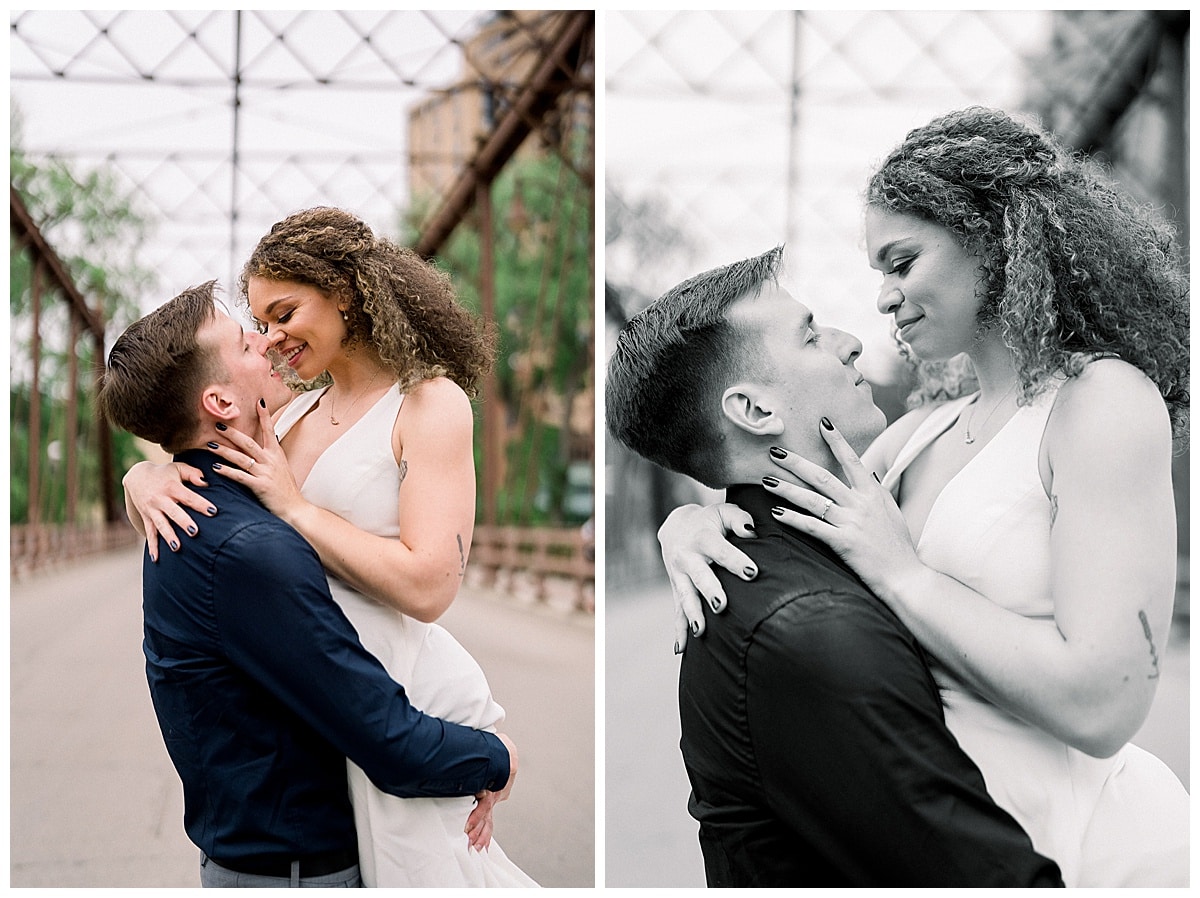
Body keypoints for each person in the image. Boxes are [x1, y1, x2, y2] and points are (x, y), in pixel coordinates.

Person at [658, 107, 1189, 887]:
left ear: (992, 236)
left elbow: (1104, 708)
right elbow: (776, 490)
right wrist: (692, 523)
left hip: (1095, 856)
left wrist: (907, 576)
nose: (881, 297)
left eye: (901, 262)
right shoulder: (918, 434)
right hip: (961, 840)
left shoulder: (1099, 400)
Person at [606, 246, 1064, 886]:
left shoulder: (830, 545)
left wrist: (687, 517)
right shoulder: (812, 630)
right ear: (757, 412)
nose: (850, 343)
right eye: (811, 335)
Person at [121, 208, 537, 887]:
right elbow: (188, 432)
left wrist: (296, 508)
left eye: (284, 313)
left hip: (392, 695)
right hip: (320, 708)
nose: (271, 339)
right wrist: (143, 477)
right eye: (258, 326)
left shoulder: (428, 403)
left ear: (343, 291)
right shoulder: (288, 413)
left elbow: (431, 587)